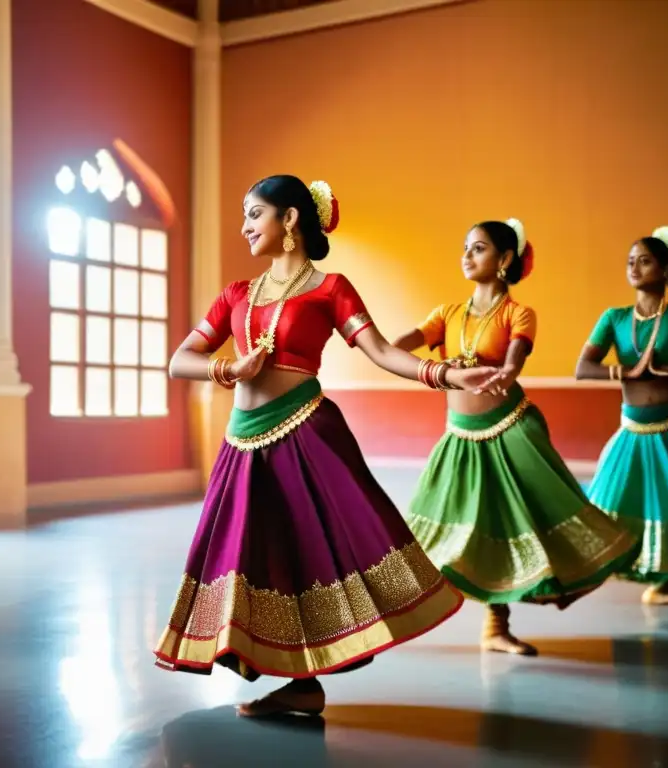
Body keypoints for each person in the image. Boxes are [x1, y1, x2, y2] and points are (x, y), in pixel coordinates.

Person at [153, 175, 496, 717]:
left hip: (305, 434)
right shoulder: (235, 295)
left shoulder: (330, 288)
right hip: (242, 446)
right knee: (254, 560)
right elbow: (179, 361)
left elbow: (381, 351)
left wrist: (445, 375)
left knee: (307, 554)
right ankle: (300, 684)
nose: (244, 226)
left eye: (254, 214)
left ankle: (306, 680)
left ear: (290, 219)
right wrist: (229, 368)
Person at [393, 219, 637, 656]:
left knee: (513, 524)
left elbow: (515, 358)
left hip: (512, 432)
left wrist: (506, 373)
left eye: (479, 248)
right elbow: (399, 346)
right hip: (460, 439)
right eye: (465, 247)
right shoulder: (445, 314)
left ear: (504, 260)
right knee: (445, 531)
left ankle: (497, 626)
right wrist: (383, 349)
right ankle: (411, 617)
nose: (466, 256)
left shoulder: (518, 313)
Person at [575, 225, 668, 606]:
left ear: (666, 270)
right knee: (622, 503)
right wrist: (627, 372)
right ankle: (637, 575)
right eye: (630, 261)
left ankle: (664, 585)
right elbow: (583, 367)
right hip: (634, 427)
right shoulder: (613, 318)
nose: (634, 267)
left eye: (644, 261)